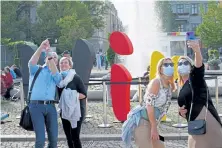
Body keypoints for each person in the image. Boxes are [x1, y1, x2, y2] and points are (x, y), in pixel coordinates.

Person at [177, 41, 222, 148]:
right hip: (195, 125)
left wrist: (197, 51)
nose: (182, 65)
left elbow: (199, 67)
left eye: (185, 63)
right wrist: (180, 112)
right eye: (179, 63)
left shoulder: (195, 78)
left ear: (191, 66)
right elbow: (186, 104)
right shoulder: (182, 85)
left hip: (206, 122)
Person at [122, 58, 175, 148]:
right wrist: (154, 127)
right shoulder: (156, 82)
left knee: (161, 146)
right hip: (142, 122)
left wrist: (154, 126)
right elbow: (149, 105)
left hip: (152, 123)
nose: (169, 67)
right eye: (166, 65)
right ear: (160, 69)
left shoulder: (169, 85)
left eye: (171, 65)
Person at [28, 39, 62, 148]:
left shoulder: (56, 74)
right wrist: (41, 47)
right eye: (49, 57)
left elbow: (57, 78)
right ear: (45, 59)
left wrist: (49, 55)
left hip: (51, 107)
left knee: (53, 140)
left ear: (56, 61)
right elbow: (31, 62)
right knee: (40, 140)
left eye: (54, 57)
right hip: (36, 106)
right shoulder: (37, 70)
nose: (52, 58)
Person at [57, 57, 87, 148]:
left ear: (70, 65)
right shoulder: (58, 79)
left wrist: (71, 96)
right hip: (64, 111)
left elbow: (84, 94)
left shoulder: (75, 77)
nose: (63, 64)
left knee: (75, 137)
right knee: (68, 137)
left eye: (66, 63)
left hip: (76, 111)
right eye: (61, 63)